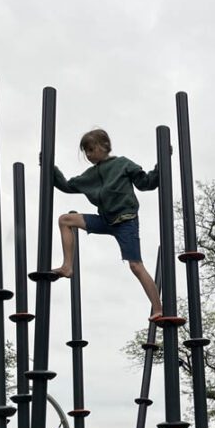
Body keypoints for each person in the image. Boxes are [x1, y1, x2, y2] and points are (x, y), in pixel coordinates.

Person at [50, 129, 163, 319]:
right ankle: (67, 266)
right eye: (85, 151)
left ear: (105, 146)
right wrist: (50, 168)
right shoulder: (90, 175)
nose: (88, 155)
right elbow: (67, 186)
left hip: (126, 221)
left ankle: (158, 308)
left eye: (91, 149)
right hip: (104, 220)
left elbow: (146, 183)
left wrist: (161, 166)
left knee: (135, 266)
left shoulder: (123, 164)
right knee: (65, 220)